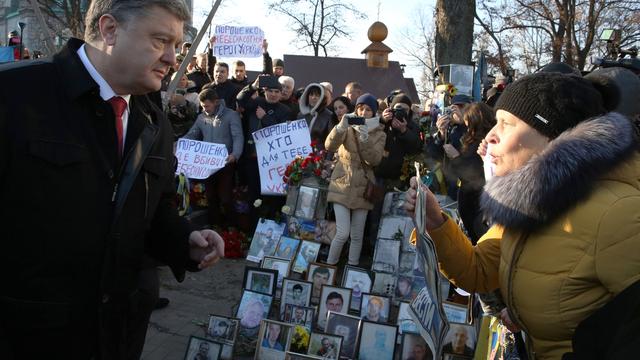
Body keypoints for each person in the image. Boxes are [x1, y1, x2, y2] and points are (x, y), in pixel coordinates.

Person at [0, 1, 227, 359]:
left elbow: (155, 208)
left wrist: (185, 240)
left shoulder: (156, 123)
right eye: (160, 40)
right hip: (29, 335)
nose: (171, 57)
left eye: (177, 46)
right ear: (109, 30)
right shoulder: (14, 96)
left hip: (120, 333)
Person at [405, 72, 640, 359]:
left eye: (506, 123)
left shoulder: (620, 214)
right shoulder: (527, 202)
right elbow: (477, 271)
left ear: (553, 137)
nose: (490, 135)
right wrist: (435, 221)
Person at [324, 94, 386, 266]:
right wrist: (340, 127)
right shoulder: (349, 125)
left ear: (373, 112)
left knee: (357, 234)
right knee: (342, 233)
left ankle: (351, 270)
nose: (363, 112)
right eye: (360, 108)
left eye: (368, 109)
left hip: (363, 187)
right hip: (342, 182)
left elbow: (374, 160)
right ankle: (330, 268)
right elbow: (329, 146)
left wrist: (365, 140)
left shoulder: (380, 133)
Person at [182, 88, 243, 229]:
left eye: (207, 106)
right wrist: (179, 143)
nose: (204, 109)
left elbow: (238, 136)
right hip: (207, 165)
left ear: (215, 102)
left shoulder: (231, 115)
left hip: (226, 163)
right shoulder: (201, 117)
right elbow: (192, 134)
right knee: (210, 197)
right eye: (202, 106)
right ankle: (215, 226)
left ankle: (233, 228)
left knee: (226, 198)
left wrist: (235, 154)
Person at [444, 102, 496, 243]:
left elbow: (473, 173)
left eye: (468, 124)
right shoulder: (475, 138)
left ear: (475, 122)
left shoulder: (484, 143)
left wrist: (456, 157)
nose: (466, 127)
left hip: (478, 205)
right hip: (471, 204)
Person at [299, 83, 335, 149]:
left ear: (323, 97)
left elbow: (331, 141)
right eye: (311, 94)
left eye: (317, 95)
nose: (313, 97)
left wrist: (327, 158)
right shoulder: (300, 115)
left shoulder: (329, 116)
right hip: (301, 155)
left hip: (320, 156)